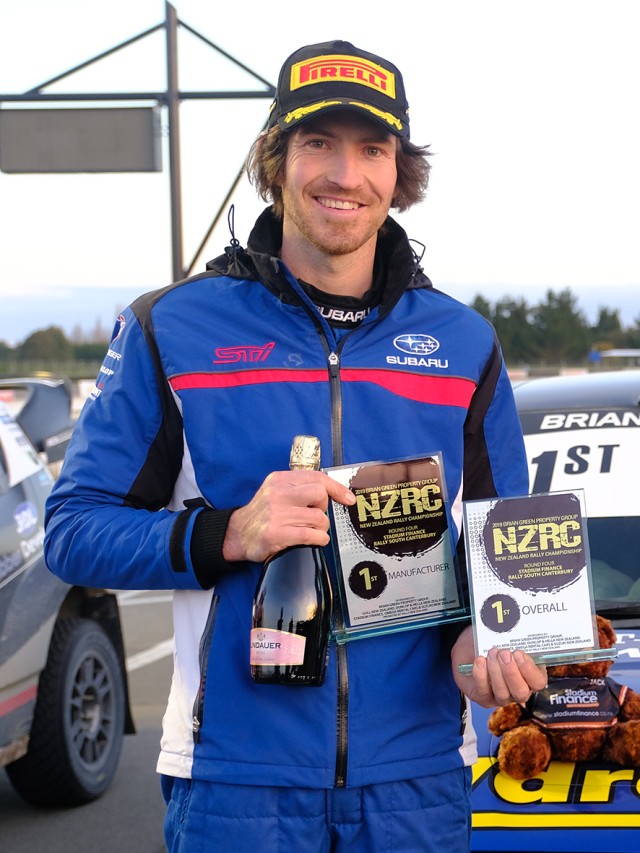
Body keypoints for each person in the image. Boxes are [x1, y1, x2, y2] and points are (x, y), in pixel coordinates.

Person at [44, 40, 545, 851]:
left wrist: (486, 639)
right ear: (275, 160)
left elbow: (512, 557)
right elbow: (72, 530)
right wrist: (229, 533)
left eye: (372, 148)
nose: (345, 174)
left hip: (417, 783)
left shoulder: (465, 343)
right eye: (319, 143)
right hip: (235, 784)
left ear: (399, 173)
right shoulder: (169, 326)